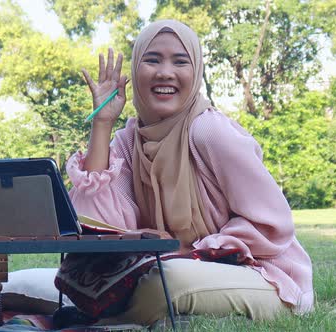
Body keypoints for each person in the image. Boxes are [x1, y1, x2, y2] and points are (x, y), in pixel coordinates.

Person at [65, 19, 314, 325]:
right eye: (152, 60)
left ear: (195, 72)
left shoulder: (210, 132)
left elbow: (271, 226)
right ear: (135, 71)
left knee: (163, 282)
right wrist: (101, 124)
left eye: (180, 61)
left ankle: (101, 323)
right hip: (165, 267)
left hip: (261, 275)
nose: (165, 72)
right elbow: (96, 224)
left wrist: (186, 251)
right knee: (51, 277)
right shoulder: (129, 141)